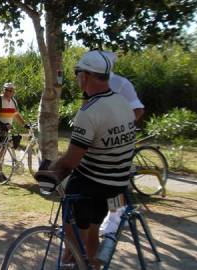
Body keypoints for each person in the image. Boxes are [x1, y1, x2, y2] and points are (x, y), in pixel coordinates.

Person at [37, 51, 136, 267]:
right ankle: (90, 262)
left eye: (77, 73)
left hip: (93, 183)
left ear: (87, 76)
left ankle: (71, 258)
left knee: (74, 236)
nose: (76, 77)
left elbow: (71, 162)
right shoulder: (123, 103)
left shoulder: (90, 111)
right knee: (93, 226)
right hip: (116, 184)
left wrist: (49, 173)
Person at [99, 51, 146, 236]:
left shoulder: (121, 83)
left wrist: (121, 127)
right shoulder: (94, 84)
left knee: (114, 180)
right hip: (100, 139)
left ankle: (115, 218)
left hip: (117, 140)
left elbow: (138, 109)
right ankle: (113, 214)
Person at [0, 82, 29, 181]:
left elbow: (16, 115)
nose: (9, 92)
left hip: (7, 129)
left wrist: (24, 124)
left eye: (11, 90)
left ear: (13, 92)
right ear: (3, 90)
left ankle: (0, 173)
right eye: (7, 90)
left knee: (3, 151)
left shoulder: (13, 101)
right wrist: (3, 124)